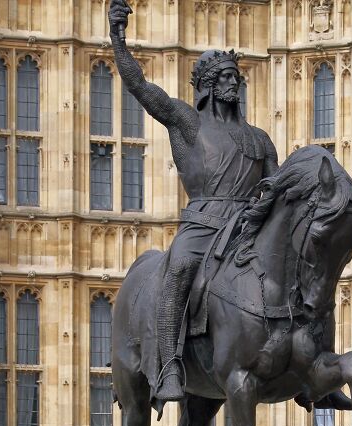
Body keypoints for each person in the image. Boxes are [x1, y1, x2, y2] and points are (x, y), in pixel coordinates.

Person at [108, 0, 279, 402]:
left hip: (246, 227)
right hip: (203, 223)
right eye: (223, 76)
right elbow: (140, 86)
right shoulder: (188, 122)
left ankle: (310, 372)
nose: (232, 83)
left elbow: (275, 187)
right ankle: (168, 368)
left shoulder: (259, 138)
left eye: (235, 77)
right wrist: (118, 38)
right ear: (206, 84)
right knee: (179, 267)